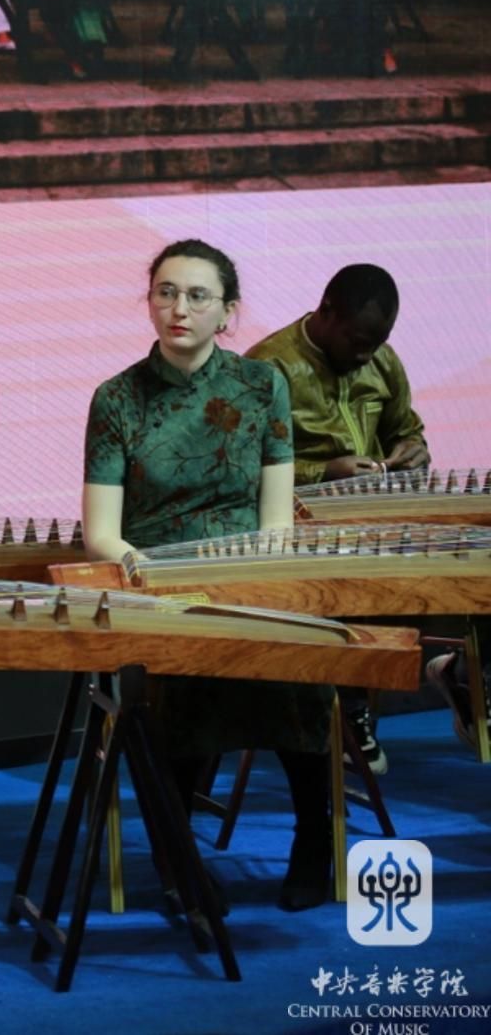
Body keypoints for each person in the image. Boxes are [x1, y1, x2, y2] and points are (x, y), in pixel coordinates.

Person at [82, 239, 333, 912]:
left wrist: (256, 582)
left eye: (198, 296)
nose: (179, 308)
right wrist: (144, 568)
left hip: (249, 577)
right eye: (166, 293)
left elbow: (275, 518)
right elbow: (101, 530)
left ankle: (314, 844)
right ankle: (178, 858)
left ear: (227, 311)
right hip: (161, 586)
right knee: (181, 689)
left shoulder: (262, 385)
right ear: (149, 302)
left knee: (302, 673)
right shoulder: (117, 398)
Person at [246, 263, 428, 776]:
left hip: (373, 522)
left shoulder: (381, 360)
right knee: (348, 585)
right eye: (359, 342)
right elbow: (242, 468)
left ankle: (459, 671)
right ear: (326, 311)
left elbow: (407, 430)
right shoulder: (269, 368)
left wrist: (412, 451)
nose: (368, 355)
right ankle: (348, 707)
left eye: (378, 343)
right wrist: (323, 472)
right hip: (296, 528)